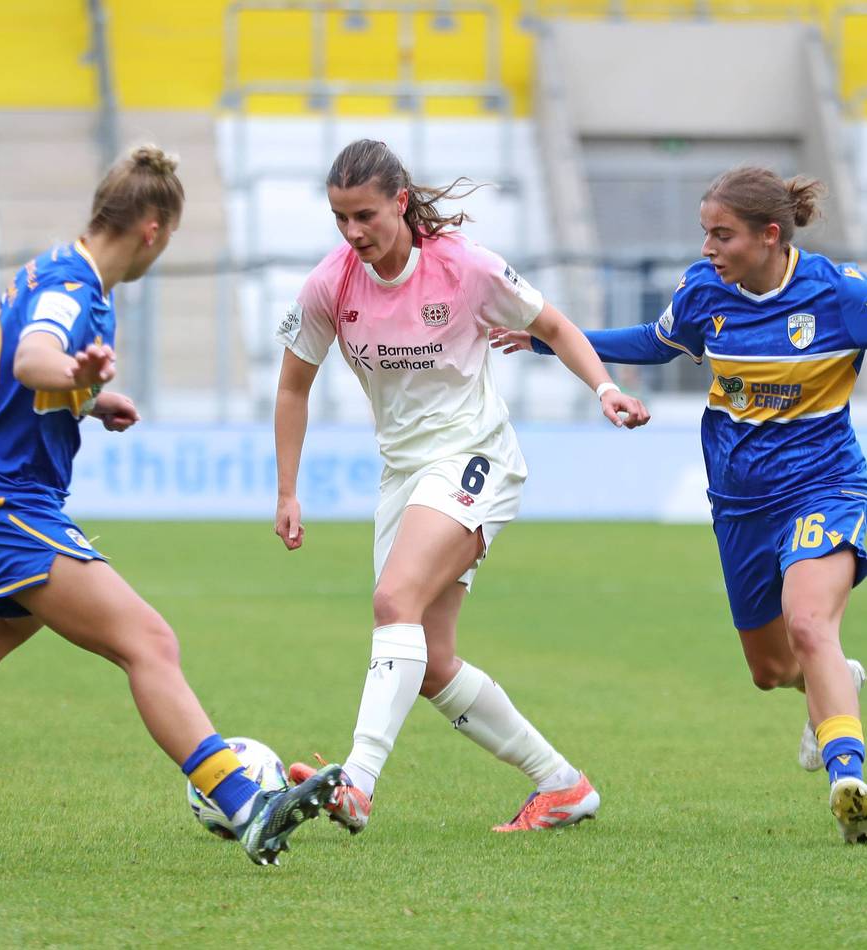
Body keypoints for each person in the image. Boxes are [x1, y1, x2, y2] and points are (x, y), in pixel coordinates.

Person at [0, 145, 341, 866]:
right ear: (152, 229)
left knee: (8, 619)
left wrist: (85, 398)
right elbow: (28, 356)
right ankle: (248, 804)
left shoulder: (52, 267)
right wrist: (67, 370)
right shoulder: (72, 290)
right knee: (148, 641)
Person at [274, 138, 649, 834]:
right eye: (340, 219)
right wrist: (288, 490)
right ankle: (562, 785)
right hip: (405, 473)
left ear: (401, 203)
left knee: (394, 600)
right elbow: (293, 386)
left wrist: (605, 387)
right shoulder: (330, 283)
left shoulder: (465, 268)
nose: (353, 233)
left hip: (475, 456)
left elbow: (554, 325)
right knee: (431, 661)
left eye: (365, 216)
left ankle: (356, 783)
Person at [491, 166, 867, 843]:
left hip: (826, 487)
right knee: (772, 669)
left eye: (722, 236)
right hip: (739, 504)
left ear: (770, 236)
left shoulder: (840, 297)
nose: (707, 249)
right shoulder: (704, 295)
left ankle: (850, 780)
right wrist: (555, 340)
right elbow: (655, 345)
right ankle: (834, 681)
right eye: (705, 233)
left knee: (809, 622)